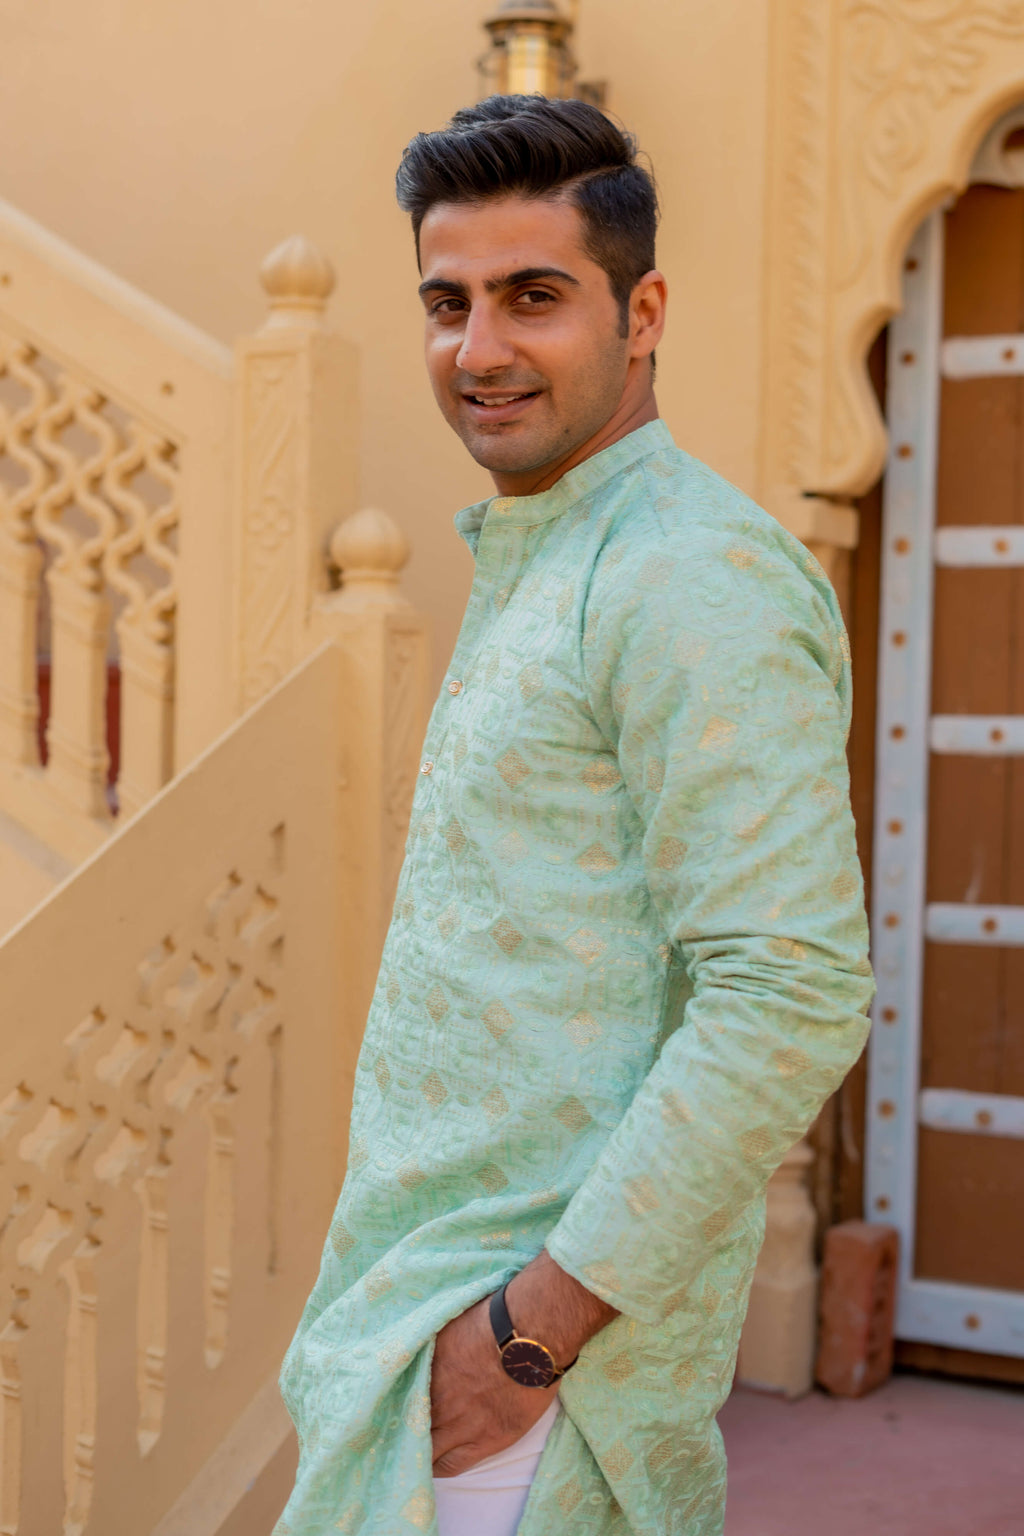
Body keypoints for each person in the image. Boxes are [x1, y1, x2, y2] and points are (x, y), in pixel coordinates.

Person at [275, 94, 874, 1536]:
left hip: (537, 1394)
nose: (478, 351)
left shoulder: (687, 578)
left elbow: (790, 991)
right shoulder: (560, 549)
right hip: (445, 1344)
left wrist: (525, 1343)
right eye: (448, 302)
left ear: (643, 307)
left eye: (532, 298)